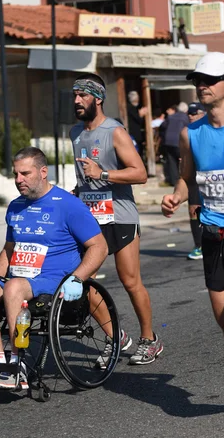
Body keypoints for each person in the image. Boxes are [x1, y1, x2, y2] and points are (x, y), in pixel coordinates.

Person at [0, 146, 108, 389]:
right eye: (16, 174)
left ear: (43, 172)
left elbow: (99, 247)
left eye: (25, 174)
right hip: (21, 277)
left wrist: (77, 279)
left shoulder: (68, 205)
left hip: (54, 279)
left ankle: (17, 365)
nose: (18, 180)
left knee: (13, 287)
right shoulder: (15, 207)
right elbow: (9, 250)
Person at [70, 73, 164, 366]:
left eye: (83, 95)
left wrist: (104, 174)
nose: (76, 101)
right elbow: (85, 178)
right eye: (74, 96)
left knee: (130, 280)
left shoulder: (115, 132)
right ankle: (116, 338)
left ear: (97, 98)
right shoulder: (74, 133)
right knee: (82, 282)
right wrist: (73, 195)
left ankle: (150, 339)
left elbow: (140, 173)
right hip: (90, 218)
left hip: (120, 216)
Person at [161, 51, 224, 372]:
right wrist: (176, 196)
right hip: (214, 237)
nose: (202, 86)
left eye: (209, 80)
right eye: (198, 80)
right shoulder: (190, 134)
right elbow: (187, 178)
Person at [186, 102, 206, 260]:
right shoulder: (187, 132)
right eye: (189, 113)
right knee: (193, 210)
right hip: (193, 179)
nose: (191, 116)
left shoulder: (207, 129)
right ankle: (198, 245)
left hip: (210, 178)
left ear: (202, 113)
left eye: (194, 113)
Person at [161, 102, 189, 186]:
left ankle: (174, 181)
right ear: (186, 110)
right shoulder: (185, 118)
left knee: (172, 161)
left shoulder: (171, 117)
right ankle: (184, 180)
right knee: (184, 160)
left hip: (168, 142)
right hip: (179, 142)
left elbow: (162, 126)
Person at [127, 91, 147, 158]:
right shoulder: (130, 108)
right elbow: (138, 119)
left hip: (136, 134)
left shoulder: (134, 107)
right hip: (133, 133)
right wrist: (141, 114)